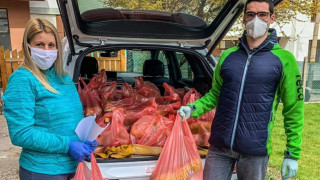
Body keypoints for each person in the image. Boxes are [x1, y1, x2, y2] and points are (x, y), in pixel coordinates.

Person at [178, 0, 304, 179]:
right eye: (250, 14)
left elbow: (294, 109)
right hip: (219, 146)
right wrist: (193, 108)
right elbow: (215, 94)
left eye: (262, 14)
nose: (256, 19)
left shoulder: (284, 60)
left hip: (255, 150)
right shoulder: (228, 56)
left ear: (271, 18)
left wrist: (292, 153)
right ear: (244, 19)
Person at [2, 18, 97, 180]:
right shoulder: (23, 79)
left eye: (51, 45)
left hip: (73, 166)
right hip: (43, 171)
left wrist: (86, 139)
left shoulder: (63, 78)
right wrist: (68, 145)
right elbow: (21, 133)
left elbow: (73, 119)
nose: (46, 50)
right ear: (28, 46)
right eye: (40, 44)